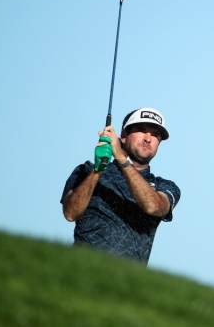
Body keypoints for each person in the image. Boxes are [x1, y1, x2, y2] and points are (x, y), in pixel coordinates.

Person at [61, 107, 181, 265]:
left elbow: (153, 206)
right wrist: (98, 170)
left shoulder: (164, 186)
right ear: (123, 136)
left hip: (127, 281)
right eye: (141, 130)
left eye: (155, 135)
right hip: (81, 268)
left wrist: (122, 159)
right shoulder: (87, 170)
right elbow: (70, 213)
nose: (148, 138)